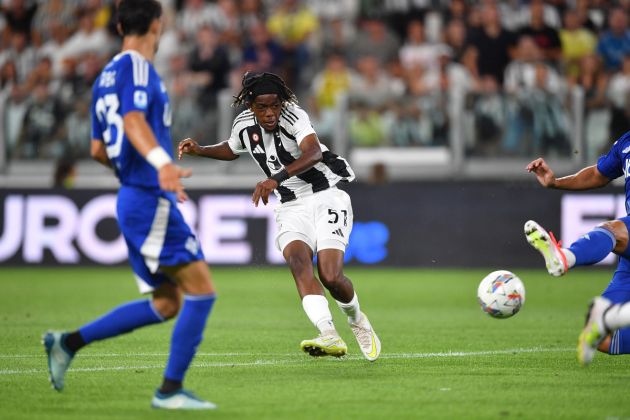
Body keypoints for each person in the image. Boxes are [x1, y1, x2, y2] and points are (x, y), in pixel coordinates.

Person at [42, 0, 218, 410]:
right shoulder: (137, 67)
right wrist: (161, 167)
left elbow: (98, 149)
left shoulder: (105, 75)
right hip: (146, 197)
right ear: (159, 23)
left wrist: (138, 176)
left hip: (133, 195)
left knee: (168, 301)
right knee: (202, 291)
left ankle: (67, 343)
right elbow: (134, 122)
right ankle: (170, 392)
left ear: (119, 24)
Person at [178, 71, 381, 361]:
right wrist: (200, 150)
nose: (270, 113)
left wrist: (276, 178)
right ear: (251, 106)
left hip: (325, 196)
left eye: (275, 105)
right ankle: (329, 334)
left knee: (330, 275)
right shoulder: (244, 125)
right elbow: (232, 149)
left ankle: (357, 320)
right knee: (298, 263)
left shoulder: (294, 116)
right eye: (262, 107)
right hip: (290, 205)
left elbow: (313, 153)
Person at [523, 130, 630, 366]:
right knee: (601, 335)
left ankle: (565, 257)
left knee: (615, 230)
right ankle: (614, 317)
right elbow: (597, 174)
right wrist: (554, 182)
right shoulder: (626, 143)